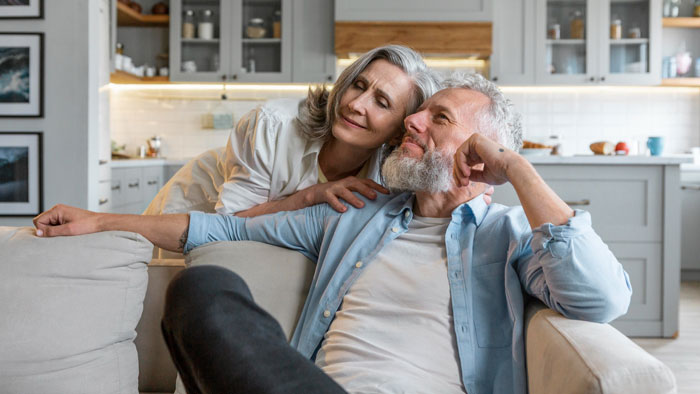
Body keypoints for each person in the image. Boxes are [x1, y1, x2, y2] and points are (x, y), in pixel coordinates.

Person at [33, 74, 632, 394]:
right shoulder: (359, 212)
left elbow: (599, 298)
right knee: (201, 290)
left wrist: (519, 169)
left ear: (482, 153)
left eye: (438, 118)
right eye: (418, 113)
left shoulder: (511, 236)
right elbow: (216, 226)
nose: (412, 121)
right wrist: (104, 220)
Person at [148, 45, 443, 219]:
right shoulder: (272, 125)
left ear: (396, 133)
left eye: (381, 103)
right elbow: (229, 224)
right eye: (359, 85)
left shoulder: (391, 174)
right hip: (183, 218)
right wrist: (310, 196)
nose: (355, 104)